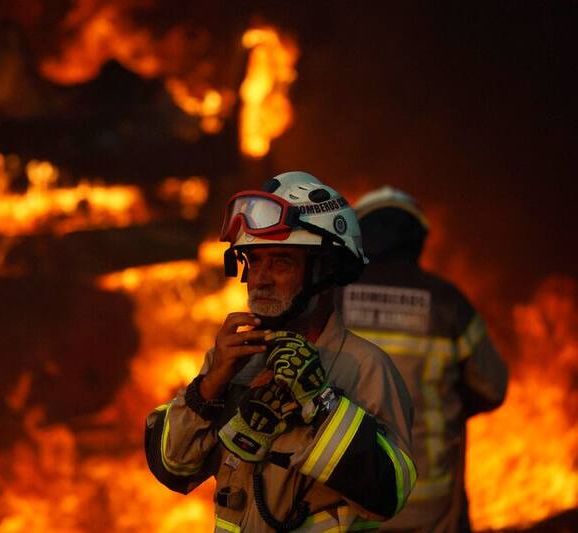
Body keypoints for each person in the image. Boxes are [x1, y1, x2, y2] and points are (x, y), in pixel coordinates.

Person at [145, 171, 416, 532]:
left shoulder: (367, 368)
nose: (259, 279)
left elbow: (387, 495)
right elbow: (173, 468)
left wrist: (320, 404)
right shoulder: (235, 361)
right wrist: (209, 388)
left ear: (325, 269)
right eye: (253, 261)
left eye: (281, 263)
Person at [338, 186, 508, 532]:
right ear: (418, 241)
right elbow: (493, 387)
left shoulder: (329, 299)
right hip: (428, 507)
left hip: (344, 503)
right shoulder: (448, 304)